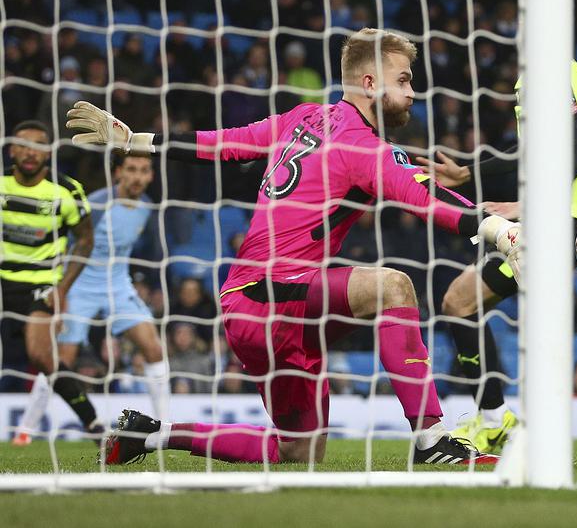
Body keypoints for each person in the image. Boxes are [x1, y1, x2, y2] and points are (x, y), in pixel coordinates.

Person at [71, 28, 520, 466]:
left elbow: (224, 143)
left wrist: (136, 141)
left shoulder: (300, 118)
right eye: (403, 80)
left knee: (298, 453)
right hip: (275, 296)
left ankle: (150, 436)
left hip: (253, 304)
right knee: (394, 288)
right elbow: (426, 198)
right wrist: (501, 230)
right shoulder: (361, 145)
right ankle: (431, 439)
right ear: (369, 83)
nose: (412, 92)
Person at [413, 60, 577, 454]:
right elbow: (530, 151)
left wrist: (526, 204)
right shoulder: (530, 75)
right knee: (459, 302)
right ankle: (499, 420)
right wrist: (467, 173)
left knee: (464, 302)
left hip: (563, 220)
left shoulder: (558, 71)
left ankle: (516, 425)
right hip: (552, 219)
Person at [12, 153, 170, 446]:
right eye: (131, 169)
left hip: (118, 285)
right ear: (118, 173)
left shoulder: (147, 207)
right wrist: (62, 290)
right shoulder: (97, 203)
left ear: (151, 176)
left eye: (144, 170)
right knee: (59, 361)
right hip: (79, 287)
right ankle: (26, 430)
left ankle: (166, 428)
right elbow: (69, 246)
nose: (137, 176)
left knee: (153, 348)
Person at [1, 120, 103, 440]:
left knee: (42, 356)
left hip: (41, 283)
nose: (32, 153)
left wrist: (62, 288)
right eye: (25, 146)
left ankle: (93, 422)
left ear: (49, 153)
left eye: (40, 146)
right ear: (12, 150)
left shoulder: (67, 190)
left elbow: (85, 241)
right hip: (3, 279)